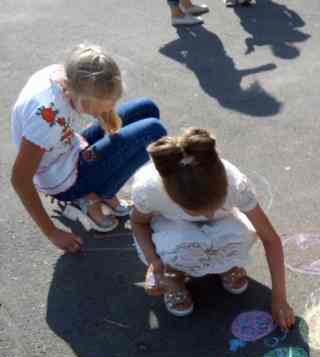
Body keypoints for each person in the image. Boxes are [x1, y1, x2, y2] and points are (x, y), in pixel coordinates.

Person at [11, 44, 166, 252]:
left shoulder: (67, 75)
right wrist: (52, 232)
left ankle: (100, 190)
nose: (109, 107)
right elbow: (20, 179)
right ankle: (96, 194)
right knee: (154, 130)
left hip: (68, 147)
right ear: (81, 97)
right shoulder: (47, 119)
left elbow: (97, 97)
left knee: (147, 108)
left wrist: (107, 116)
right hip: (63, 180)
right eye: (104, 104)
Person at [130, 128, 294, 324]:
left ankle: (225, 265)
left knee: (243, 233)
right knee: (181, 244)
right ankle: (174, 276)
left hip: (222, 222)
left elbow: (270, 238)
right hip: (173, 226)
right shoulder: (150, 190)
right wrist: (155, 263)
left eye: (214, 207)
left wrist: (279, 298)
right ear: (172, 198)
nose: (208, 215)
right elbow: (139, 223)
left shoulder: (234, 183)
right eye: (197, 211)